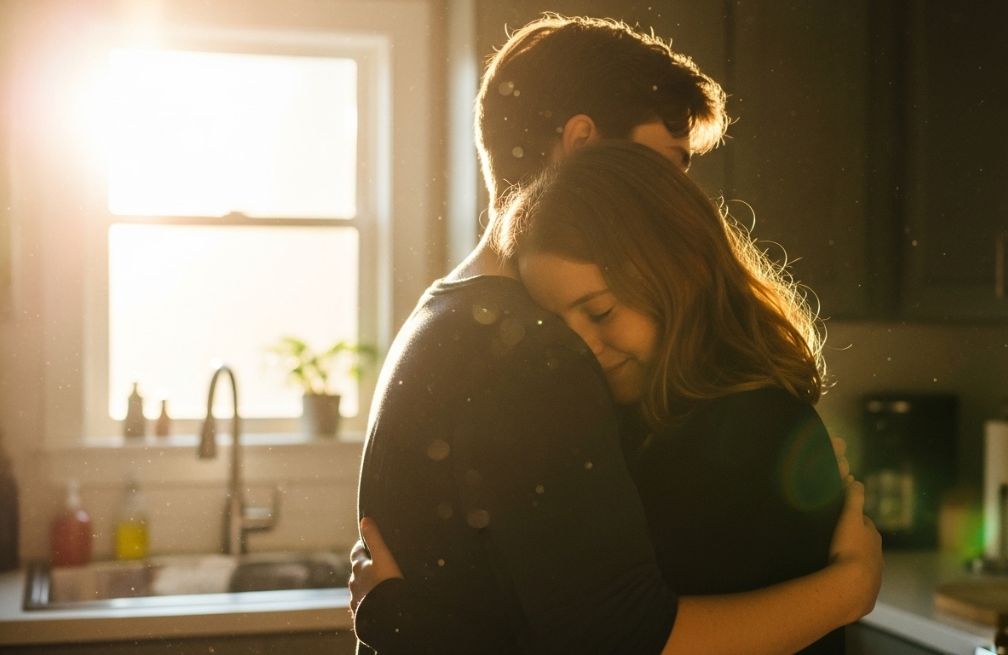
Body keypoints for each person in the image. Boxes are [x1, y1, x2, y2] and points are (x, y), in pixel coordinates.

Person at [352, 14, 881, 655]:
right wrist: (848, 590)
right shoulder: (537, 354)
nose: (675, 197)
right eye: (664, 163)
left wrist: (404, 623)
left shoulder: (445, 316)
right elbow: (614, 636)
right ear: (581, 146)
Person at [496, 139, 850, 653]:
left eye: (599, 313)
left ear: (679, 274)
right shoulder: (641, 422)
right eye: (557, 327)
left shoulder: (753, 429)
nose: (583, 349)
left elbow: (638, 640)